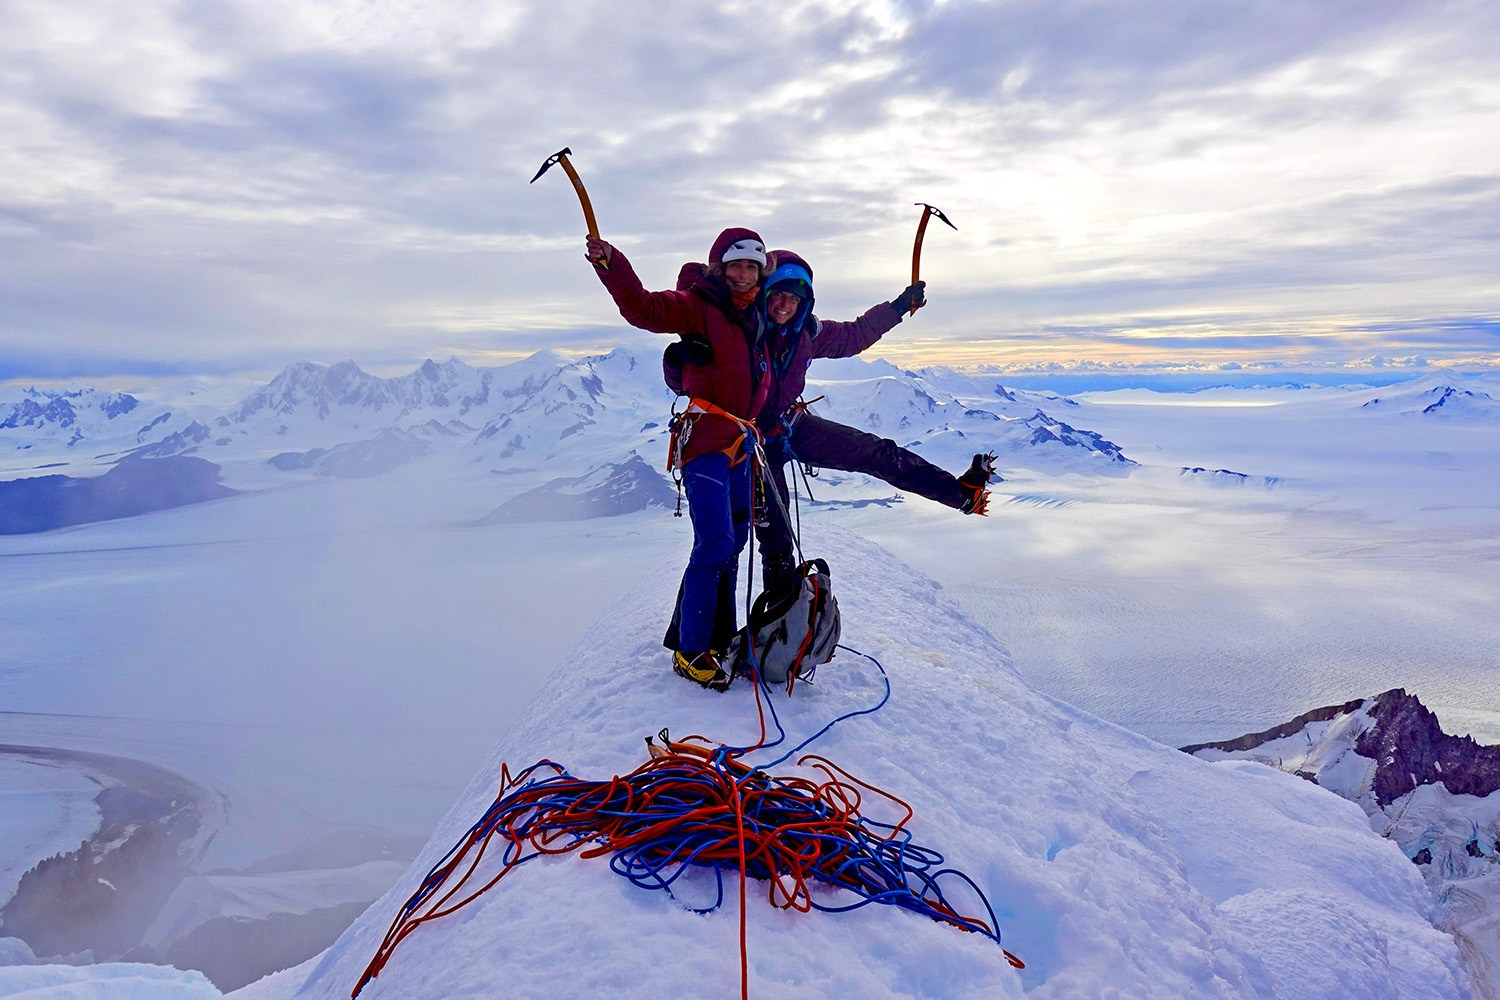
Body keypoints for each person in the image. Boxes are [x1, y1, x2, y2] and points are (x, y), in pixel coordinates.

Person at [668, 248, 998, 594]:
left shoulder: (806, 332)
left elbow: (855, 335)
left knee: (875, 453)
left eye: (794, 298)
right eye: (777, 294)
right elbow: (685, 384)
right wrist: (678, 359)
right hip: (744, 440)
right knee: (772, 536)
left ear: (805, 302)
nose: (784, 304)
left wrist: (899, 307)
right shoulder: (739, 328)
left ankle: (961, 494)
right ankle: (758, 620)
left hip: (786, 426)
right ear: (763, 294)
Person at [585, 227, 771, 691]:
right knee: (714, 542)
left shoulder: (758, 316)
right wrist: (612, 263)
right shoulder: (698, 305)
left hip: (741, 445)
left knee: (734, 541)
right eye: (736, 265)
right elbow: (643, 308)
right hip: (706, 441)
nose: (744, 273)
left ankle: (718, 636)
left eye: (752, 265)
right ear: (719, 268)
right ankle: (690, 651)